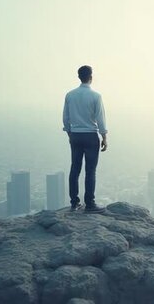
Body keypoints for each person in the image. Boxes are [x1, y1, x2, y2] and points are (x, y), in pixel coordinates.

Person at [62, 65, 108, 213]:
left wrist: (70, 133)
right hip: (90, 136)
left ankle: (74, 203)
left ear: (79, 77)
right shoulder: (96, 96)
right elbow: (100, 118)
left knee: (74, 169)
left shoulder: (70, 95)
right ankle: (90, 204)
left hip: (75, 135)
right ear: (91, 77)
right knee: (90, 171)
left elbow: (66, 118)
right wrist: (104, 136)